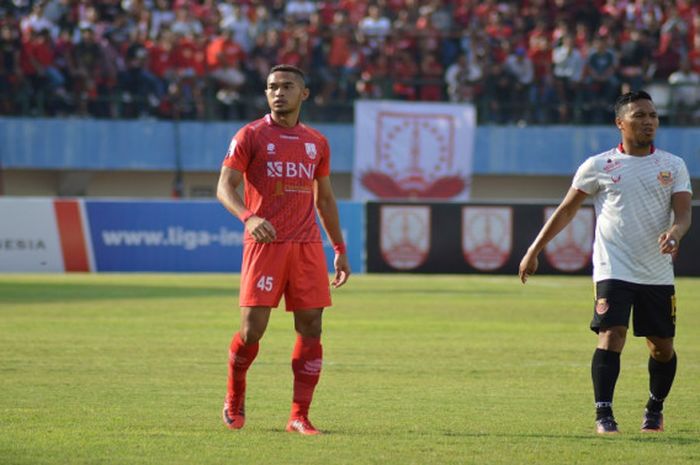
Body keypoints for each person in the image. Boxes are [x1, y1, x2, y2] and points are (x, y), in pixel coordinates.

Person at [518, 91, 693, 434]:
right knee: (612, 334)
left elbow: (684, 215)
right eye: (640, 115)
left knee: (661, 348)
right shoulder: (599, 165)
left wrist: (675, 232)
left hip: (656, 272)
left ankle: (654, 408)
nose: (649, 122)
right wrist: (533, 249)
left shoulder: (673, 166)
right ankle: (604, 415)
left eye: (653, 116)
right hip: (614, 267)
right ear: (620, 123)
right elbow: (566, 209)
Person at [216, 64, 350, 435]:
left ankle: (299, 416)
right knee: (251, 331)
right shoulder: (250, 135)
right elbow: (225, 187)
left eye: (287, 86)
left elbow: (324, 199)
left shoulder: (317, 142)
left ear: (303, 94)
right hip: (265, 244)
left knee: (311, 327)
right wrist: (248, 217)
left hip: (307, 246)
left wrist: (339, 247)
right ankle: (235, 395)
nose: (279, 93)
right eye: (272, 87)